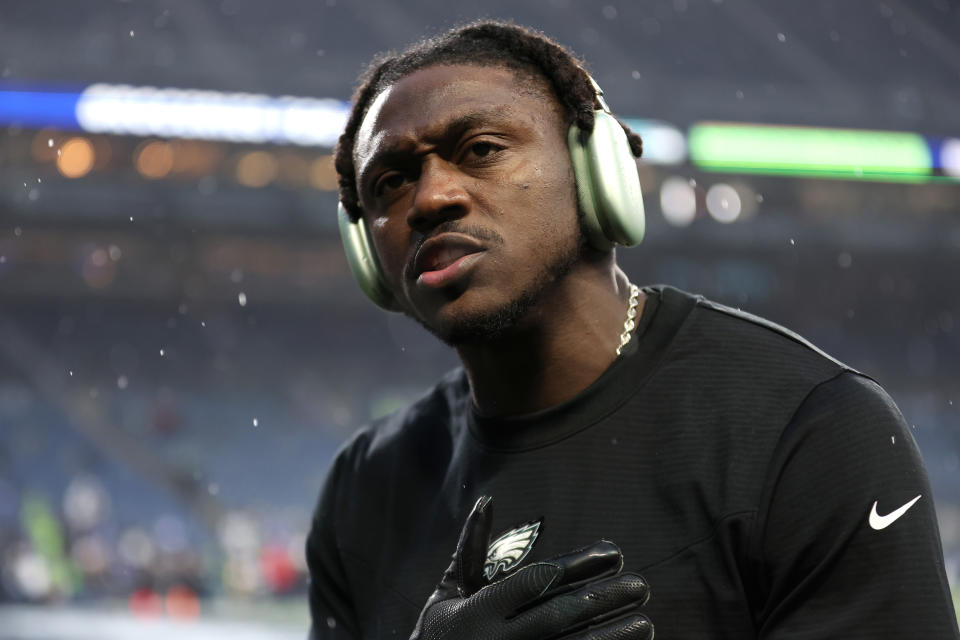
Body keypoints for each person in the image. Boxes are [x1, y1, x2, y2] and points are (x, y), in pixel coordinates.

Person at [306, 20, 960, 639]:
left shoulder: (813, 432)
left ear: (597, 172)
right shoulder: (364, 487)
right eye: (390, 182)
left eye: (480, 150)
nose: (428, 198)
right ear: (368, 257)